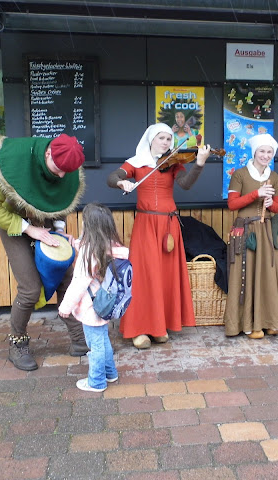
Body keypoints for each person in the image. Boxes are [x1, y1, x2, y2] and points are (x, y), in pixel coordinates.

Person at [0, 133, 87, 371]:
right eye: (57, 169)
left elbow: (59, 199)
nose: (60, 176)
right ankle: (17, 345)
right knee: (29, 289)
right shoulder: (13, 162)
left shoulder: (66, 168)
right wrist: (29, 229)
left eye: (65, 173)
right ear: (48, 152)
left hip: (46, 225)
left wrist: (59, 229)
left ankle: (79, 340)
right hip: (15, 225)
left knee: (66, 278)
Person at [107, 123, 211, 349]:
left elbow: (185, 185)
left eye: (168, 139)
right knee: (144, 276)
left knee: (164, 274)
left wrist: (199, 164)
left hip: (169, 225)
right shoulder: (137, 161)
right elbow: (112, 176)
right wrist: (121, 181)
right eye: (161, 138)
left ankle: (159, 327)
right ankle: (139, 329)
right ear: (151, 139)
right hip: (146, 224)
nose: (165, 142)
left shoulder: (172, 163)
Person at [223, 133, 278, 338]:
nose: (266, 155)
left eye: (269, 152)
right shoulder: (240, 175)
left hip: (267, 232)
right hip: (246, 232)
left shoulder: (274, 177)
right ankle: (248, 324)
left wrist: (272, 205)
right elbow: (232, 204)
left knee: (267, 276)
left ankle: (269, 321)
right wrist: (257, 194)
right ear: (254, 152)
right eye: (262, 151)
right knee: (246, 278)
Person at [58, 203, 128, 392]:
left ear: (88, 227)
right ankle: (110, 372)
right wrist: (75, 243)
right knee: (103, 339)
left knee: (95, 345)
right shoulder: (113, 246)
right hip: (106, 302)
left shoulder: (89, 254)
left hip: (92, 306)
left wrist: (65, 307)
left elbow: (79, 282)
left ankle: (96, 381)